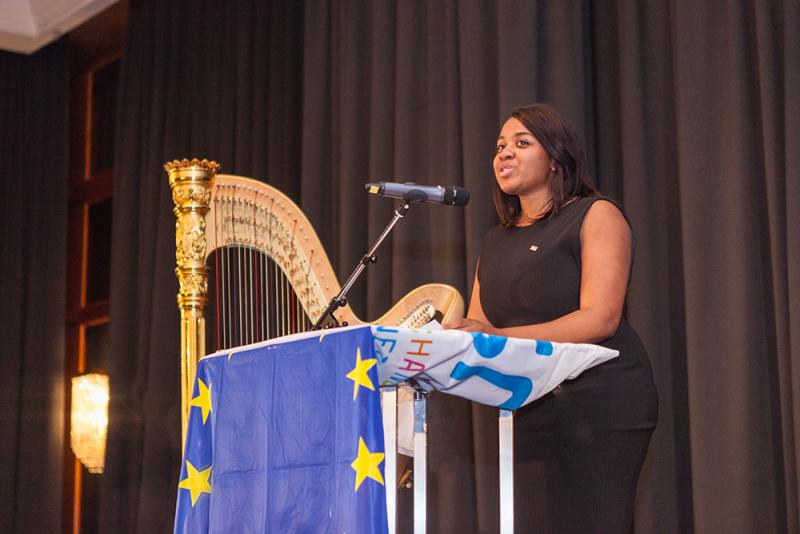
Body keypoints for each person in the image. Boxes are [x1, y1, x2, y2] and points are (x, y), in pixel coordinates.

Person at [445, 103, 658, 533]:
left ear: (556, 159)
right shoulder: (494, 242)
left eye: (522, 143)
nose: (505, 153)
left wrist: (500, 335)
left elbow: (600, 319)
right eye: (500, 146)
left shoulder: (596, 214)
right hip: (529, 407)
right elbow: (479, 330)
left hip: (600, 402)